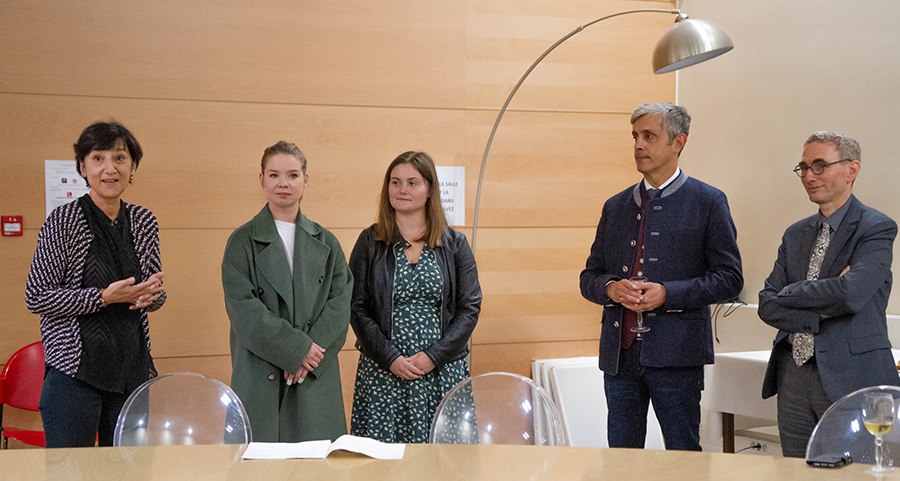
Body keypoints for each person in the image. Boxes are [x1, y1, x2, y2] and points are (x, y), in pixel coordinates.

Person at [580, 102, 743, 451]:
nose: (638, 145)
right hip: (619, 358)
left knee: (684, 459)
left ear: (678, 142)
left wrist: (668, 293)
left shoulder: (708, 202)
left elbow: (730, 279)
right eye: (635, 136)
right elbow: (589, 276)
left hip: (678, 357)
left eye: (649, 136)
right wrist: (611, 288)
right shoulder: (615, 206)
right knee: (622, 461)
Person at [758, 131, 900, 457]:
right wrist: (821, 305)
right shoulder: (795, 234)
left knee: (851, 472)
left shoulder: (875, 228)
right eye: (804, 167)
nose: (809, 176)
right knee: (795, 471)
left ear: (852, 170)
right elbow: (767, 304)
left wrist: (790, 292)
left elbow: (851, 294)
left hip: (850, 375)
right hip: (792, 373)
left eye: (820, 166)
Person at [25, 121, 166, 448]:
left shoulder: (144, 221)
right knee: (71, 469)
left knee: (128, 469)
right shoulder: (63, 220)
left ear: (132, 167)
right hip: (75, 374)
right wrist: (102, 297)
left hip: (131, 371)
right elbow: (37, 296)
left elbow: (155, 294)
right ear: (82, 167)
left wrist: (152, 296)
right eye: (98, 158)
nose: (109, 168)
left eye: (119, 158)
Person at [222, 141, 352, 442]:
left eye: (293, 175)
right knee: (261, 461)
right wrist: (295, 350)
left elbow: (340, 304)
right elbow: (244, 310)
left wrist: (308, 354)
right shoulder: (242, 241)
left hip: (314, 371)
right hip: (261, 370)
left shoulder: (327, 242)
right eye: (274, 175)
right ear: (262, 179)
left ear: (305, 180)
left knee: (317, 461)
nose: (283, 183)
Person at [349, 151, 481, 443]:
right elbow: (356, 307)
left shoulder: (455, 244)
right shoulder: (369, 242)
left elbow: (469, 308)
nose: (402, 190)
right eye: (395, 182)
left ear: (430, 189)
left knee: (445, 459)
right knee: (384, 461)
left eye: (412, 182)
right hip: (384, 371)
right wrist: (390, 357)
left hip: (441, 371)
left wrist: (434, 356)